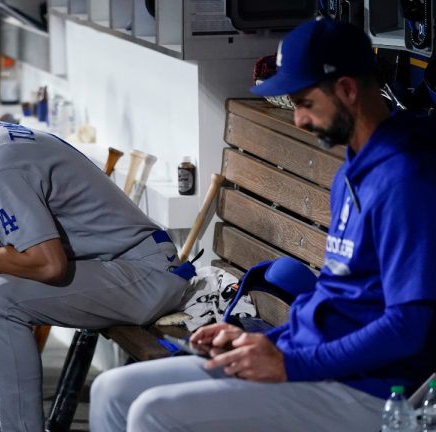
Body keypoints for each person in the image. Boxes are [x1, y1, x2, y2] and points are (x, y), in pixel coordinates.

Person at [88, 17, 436, 432]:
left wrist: (289, 362)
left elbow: (409, 326)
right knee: (112, 390)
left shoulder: (406, 177)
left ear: (345, 89)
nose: (299, 121)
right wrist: (262, 342)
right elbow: (340, 298)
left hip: (371, 389)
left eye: (305, 103)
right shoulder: (356, 166)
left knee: (153, 412)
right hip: (310, 360)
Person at [0, 78, 195, 432]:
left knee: (0, 299)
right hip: (109, 265)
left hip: (144, 274)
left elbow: (49, 265)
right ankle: (0, 418)